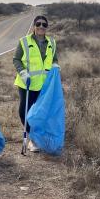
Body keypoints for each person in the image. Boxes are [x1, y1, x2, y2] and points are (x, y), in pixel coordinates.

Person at [13, 15, 58, 153]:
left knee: (40, 112)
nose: (41, 27)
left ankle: (37, 138)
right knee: (24, 111)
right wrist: (23, 73)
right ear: (34, 26)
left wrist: (56, 66)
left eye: (44, 25)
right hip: (27, 83)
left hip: (44, 86)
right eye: (38, 24)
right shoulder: (24, 41)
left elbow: (54, 59)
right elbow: (16, 60)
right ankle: (31, 138)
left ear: (47, 27)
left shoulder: (52, 42)